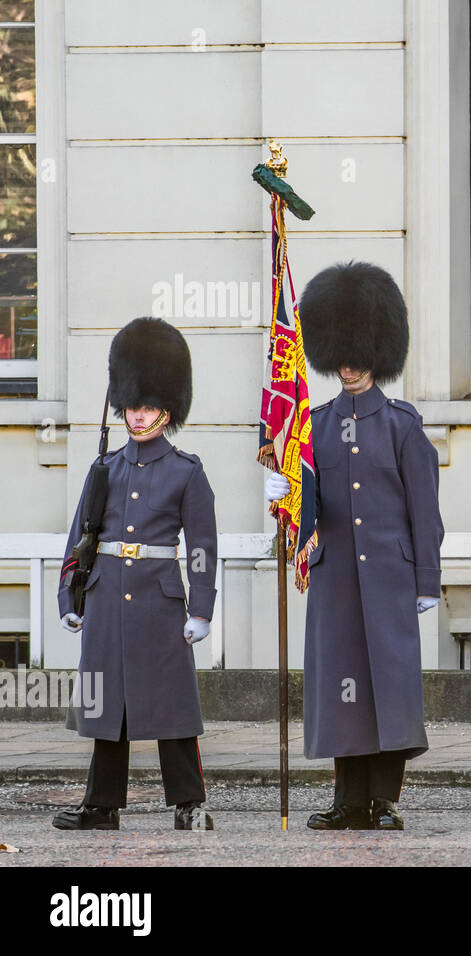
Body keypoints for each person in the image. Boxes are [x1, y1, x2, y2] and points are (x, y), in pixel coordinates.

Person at [266, 261, 443, 831]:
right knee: (342, 689)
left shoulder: (402, 427)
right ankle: (348, 801)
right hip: (337, 573)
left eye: (357, 352)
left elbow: (425, 513)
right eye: (339, 352)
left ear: (377, 353)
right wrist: (283, 490)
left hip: (391, 575)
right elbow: (304, 508)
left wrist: (426, 583)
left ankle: (384, 801)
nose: (347, 364)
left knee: (386, 689)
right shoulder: (311, 427)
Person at [53, 317, 217, 831]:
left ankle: (189, 803)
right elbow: (81, 535)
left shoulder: (187, 471)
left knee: (172, 706)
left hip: (159, 598)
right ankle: (101, 805)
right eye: (131, 405)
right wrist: (68, 597)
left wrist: (202, 608)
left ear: (167, 410)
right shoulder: (105, 468)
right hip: (105, 595)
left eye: (147, 406)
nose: (137, 415)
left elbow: (202, 547)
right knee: (108, 707)